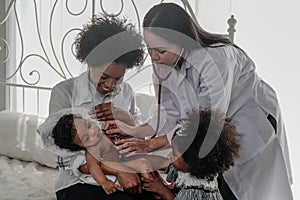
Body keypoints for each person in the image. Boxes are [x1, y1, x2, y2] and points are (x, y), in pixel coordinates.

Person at [104, 3, 293, 200]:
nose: (153, 56)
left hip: (249, 123)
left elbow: (207, 120)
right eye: (149, 48)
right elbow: (168, 111)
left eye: (160, 50)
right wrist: (135, 131)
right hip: (207, 133)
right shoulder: (162, 61)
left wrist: (152, 145)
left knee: (248, 190)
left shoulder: (215, 58)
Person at [37, 14, 155, 200]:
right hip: (80, 181)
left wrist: (125, 117)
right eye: (105, 76)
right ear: (90, 62)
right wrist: (117, 171)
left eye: (118, 78)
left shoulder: (126, 92)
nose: (110, 85)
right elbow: (63, 157)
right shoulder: (64, 92)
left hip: (129, 173)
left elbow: (140, 142)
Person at [52, 113, 168, 195]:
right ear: (80, 147)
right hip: (120, 165)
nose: (92, 131)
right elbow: (93, 167)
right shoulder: (93, 148)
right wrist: (104, 182)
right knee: (143, 164)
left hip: (126, 160)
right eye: (86, 137)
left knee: (151, 161)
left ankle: (164, 183)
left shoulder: (105, 132)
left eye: (88, 125)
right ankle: (155, 191)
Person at [142, 109, 240, 200]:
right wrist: (146, 160)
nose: (170, 155)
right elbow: (165, 163)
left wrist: (163, 190)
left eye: (175, 154)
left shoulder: (196, 189)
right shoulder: (192, 169)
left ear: (193, 163)